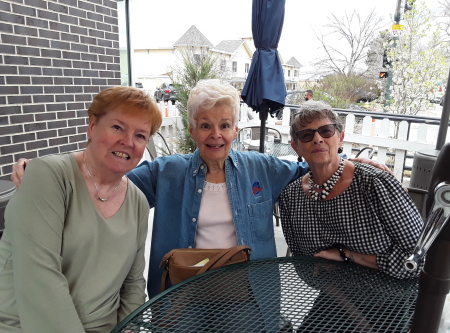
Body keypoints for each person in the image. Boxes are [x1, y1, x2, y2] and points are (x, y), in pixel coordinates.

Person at [11, 80, 388, 299]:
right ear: (192, 131)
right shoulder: (166, 171)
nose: (216, 134)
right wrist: (52, 168)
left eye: (225, 125)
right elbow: (108, 178)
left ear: (235, 132)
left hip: (250, 294)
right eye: (205, 125)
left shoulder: (263, 168)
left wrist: (352, 162)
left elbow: (314, 167)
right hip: (181, 289)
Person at [0, 86, 162, 332]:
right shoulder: (49, 177)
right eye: (118, 127)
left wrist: (129, 328)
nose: (128, 142)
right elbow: (39, 281)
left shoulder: (138, 202)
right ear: (92, 126)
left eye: (140, 136)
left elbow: (132, 285)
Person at [278, 102, 424, 279]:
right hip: (334, 295)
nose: (317, 139)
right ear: (296, 147)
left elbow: (420, 259)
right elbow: (306, 267)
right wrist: (346, 305)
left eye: (326, 131)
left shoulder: (375, 184)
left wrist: (347, 255)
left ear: (340, 138)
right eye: (306, 135)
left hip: (393, 295)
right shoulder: (291, 197)